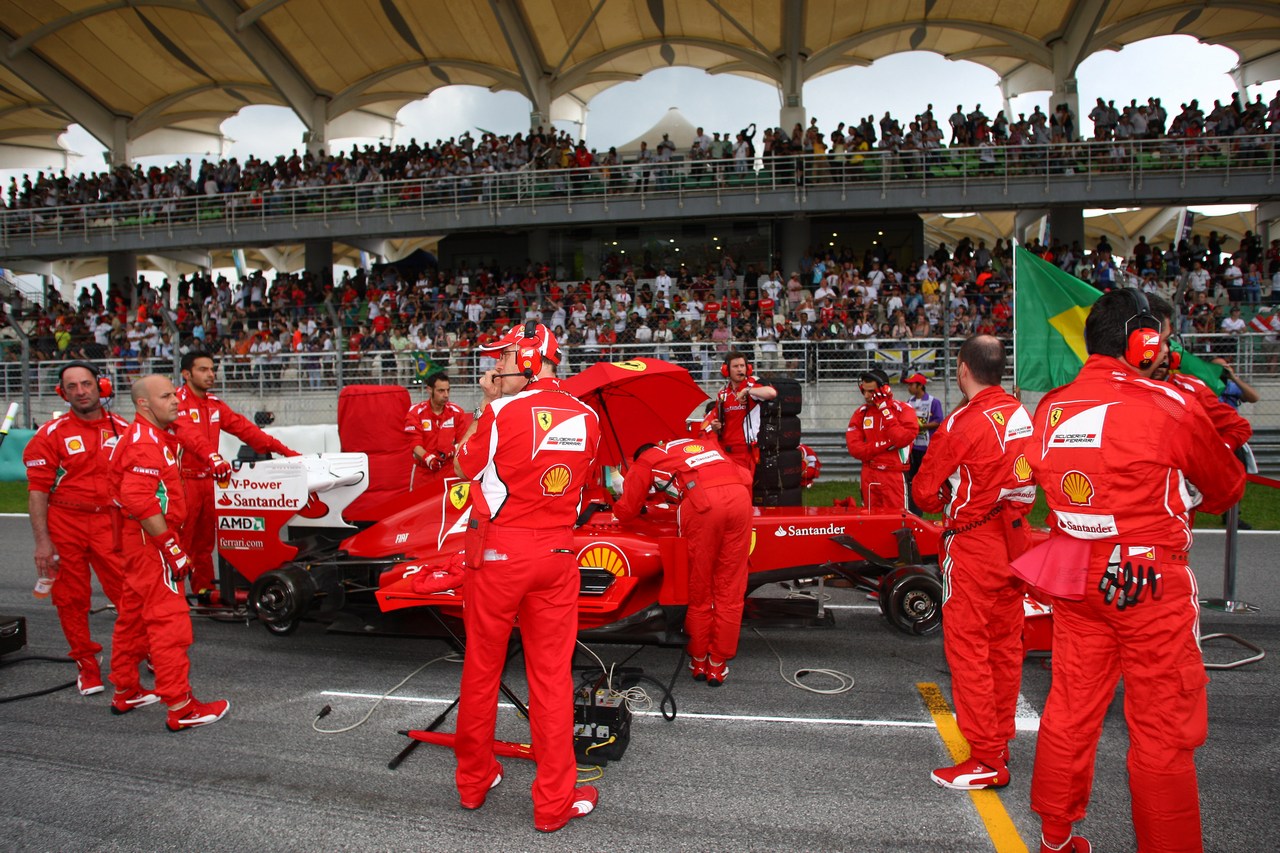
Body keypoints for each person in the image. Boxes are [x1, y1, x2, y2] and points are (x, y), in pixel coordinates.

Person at [1028, 289, 1244, 853]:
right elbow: (1226, 487)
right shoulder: (1168, 404)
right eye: (1162, 340)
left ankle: (1054, 837)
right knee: (1163, 731)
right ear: (1142, 341)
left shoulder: (1050, 406)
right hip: (1148, 583)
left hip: (1078, 579)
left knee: (1070, 709)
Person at [451, 322, 602, 832]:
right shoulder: (589, 416)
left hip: (499, 554)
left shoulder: (498, 412)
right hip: (557, 554)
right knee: (552, 679)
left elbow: (461, 465)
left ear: (532, 361)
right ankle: (553, 803)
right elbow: (584, 497)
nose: (496, 372)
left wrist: (486, 407)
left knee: (482, 669)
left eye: (505, 363)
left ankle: (473, 784)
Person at [911, 336, 1036, 790]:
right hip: (1016, 540)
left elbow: (924, 491)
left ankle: (984, 756)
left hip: (973, 543)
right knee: (1005, 648)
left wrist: (945, 494)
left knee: (969, 652)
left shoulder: (963, 421)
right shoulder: (1022, 411)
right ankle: (998, 743)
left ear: (964, 368)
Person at [108, 375, 230, 730]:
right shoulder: (145, 443)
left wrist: (211, 455)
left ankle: (126, 689)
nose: (176, 400)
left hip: (139, 540)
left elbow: (190, 436)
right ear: (143, 404)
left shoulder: (156, 434)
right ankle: (181, 706)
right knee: (169, 622)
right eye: (166, 396)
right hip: (152, 540)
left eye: (174, 394)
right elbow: (137, 499)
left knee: (131, 616)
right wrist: (172, 547)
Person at [23, 363, 130, 695]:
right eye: (73, 387)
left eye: (86, 384)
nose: (81, 391)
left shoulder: (124, 430)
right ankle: (86, 663)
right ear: (62, 393)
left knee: (130, 592)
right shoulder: (50, 435)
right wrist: (43, 541)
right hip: (65, 522)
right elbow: (38, 492)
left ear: (102, 387)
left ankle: (142, 650)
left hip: (111, 522)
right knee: (70, 599)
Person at [612, 436, 752, 686]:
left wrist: (616, 504)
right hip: (740, 500)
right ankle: (718, 663)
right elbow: (746, 475)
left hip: (704, 507)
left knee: (700, 585)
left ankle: (699, 660)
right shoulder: (704, 443)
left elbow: (628, 509)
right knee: (730, 587)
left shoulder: (646, 460)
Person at [171, 350, 299, 602]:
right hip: (181, 481)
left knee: (205, 544)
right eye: (203, 370)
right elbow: (190, 437)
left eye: (212, 369)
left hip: (209, 481)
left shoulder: (213, 404)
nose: (210, 374)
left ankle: (204, 593)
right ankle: (170, 599)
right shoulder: (175, 403)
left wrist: (283, 450)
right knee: (179, 544)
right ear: (186, 374)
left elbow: (246, 430)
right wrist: (213, 457)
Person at [845, 368, 919, 511]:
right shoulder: (860, 413)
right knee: (869, 522)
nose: (866, 396)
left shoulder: (903, 410)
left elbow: (901, 439)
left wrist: (885, 410)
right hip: (869, 474)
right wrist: (885, 444)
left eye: (871, 392)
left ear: (885, 389)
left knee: (897, 522)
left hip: (894, 476)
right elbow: (855, 449)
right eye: (863, 391)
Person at [704, 350, 777, 476]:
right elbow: (714, 421)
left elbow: (771, 393)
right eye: (735, 366)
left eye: (742, 366)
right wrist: (715, 426)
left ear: (748, 369)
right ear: (726, 370)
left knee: (743, 490)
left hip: (745, 451)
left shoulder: (751, 386)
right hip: (724, 450)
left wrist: (748, 390)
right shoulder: (723, 394)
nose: (739, 370)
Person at [403, 371, 471, 491]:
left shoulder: (457, 412)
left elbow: (464, 442)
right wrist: (428, 458)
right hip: (423, 472)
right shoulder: (416, 412)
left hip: (449, 471)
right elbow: (414, 444)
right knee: (419, 508)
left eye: (448, 390)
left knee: (448, 508)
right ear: (430, 390)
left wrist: (452, 450)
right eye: (441, 391)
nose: (445, 395)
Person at [903, 372, 944, 515]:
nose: (909, 387)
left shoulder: (933, 402)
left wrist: (921, 427)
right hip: (913, 447)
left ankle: (931, 502)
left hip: (927, 447)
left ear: (920, 386)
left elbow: (939, 421)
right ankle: (914, 507)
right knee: (912, 478)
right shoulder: (909, 402)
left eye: (911, 384)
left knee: (926, 477)